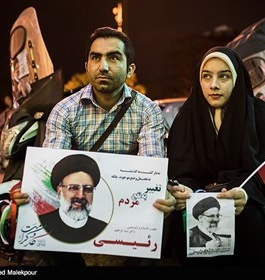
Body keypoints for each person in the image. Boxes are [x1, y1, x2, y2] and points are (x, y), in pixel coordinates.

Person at [13, 26, 175, 265]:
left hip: (127, 212)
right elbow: (53, 167)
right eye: (96, 57)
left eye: (114, 57)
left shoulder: (147, 110)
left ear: (130, 69)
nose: (104, 66)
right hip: (77, 204)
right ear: (87, 65)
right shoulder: (65, 110)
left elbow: (151, 168)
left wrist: (162, 193)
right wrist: (35, 191)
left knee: (161, 216)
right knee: (45, 234)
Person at [166, 46, 265, 266]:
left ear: (236, 78)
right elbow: (180, 171)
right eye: (206, 76)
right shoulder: (186, 118)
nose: (213, 85)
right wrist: (185, 190)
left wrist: (245, 193)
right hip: (198, 204)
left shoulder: (258, 114)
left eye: (223, 76)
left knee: (251, 220)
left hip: (248, 203)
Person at [38, 154, 108, 244]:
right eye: (73, 188)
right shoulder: (42, 225)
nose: (80, 196)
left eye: (88, 189)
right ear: (59, 191)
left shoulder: (102, 229)